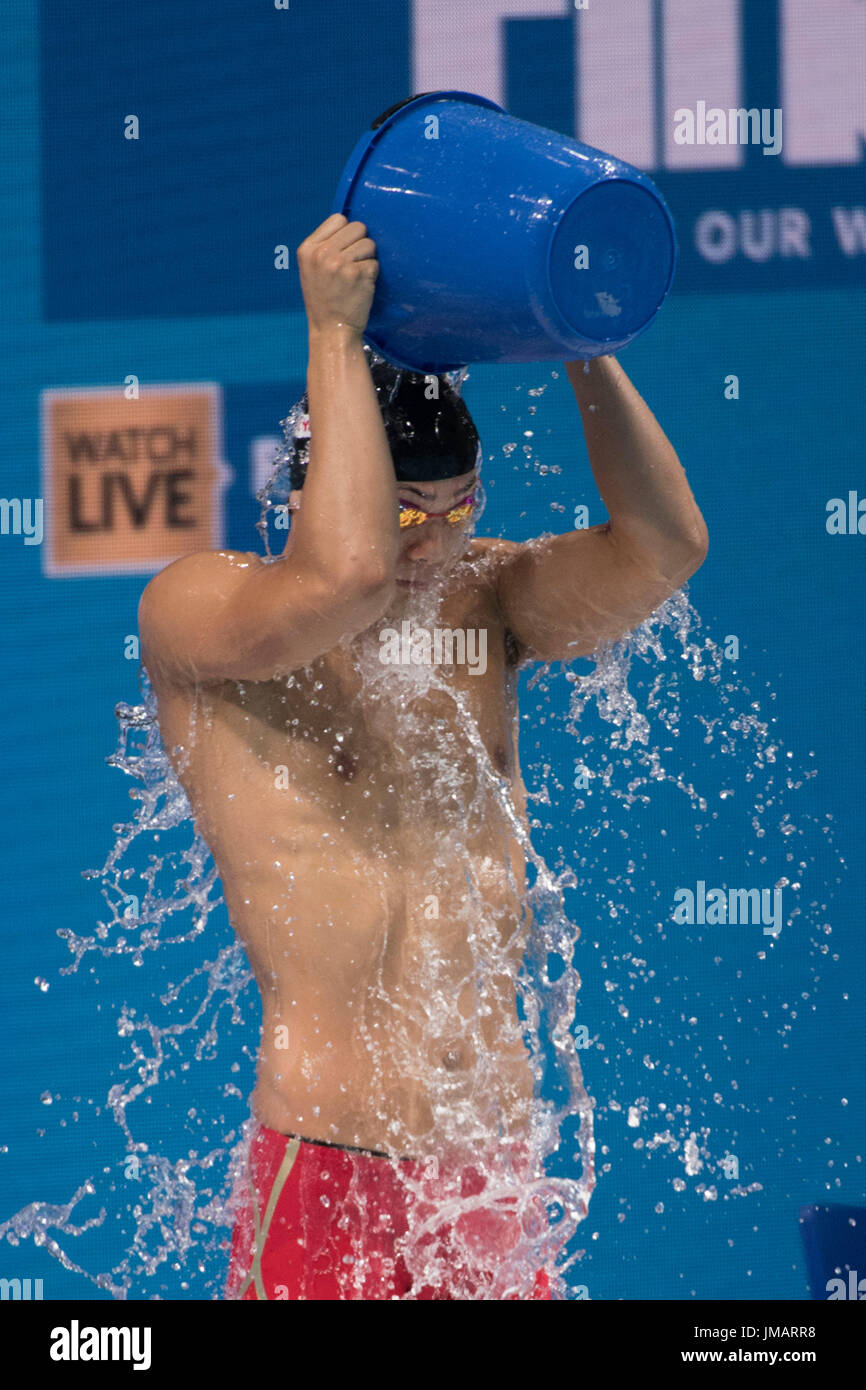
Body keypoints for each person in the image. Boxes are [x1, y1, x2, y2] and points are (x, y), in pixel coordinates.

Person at [138, 212, 708, 1299]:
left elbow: (663, 543)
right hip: (333, 1173)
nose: (428, 543)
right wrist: (332, 334)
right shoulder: (201, 611)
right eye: (402, 507)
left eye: (455, 509)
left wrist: (573, 337)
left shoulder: (485, 600)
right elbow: (338, 579)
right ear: (314, 483)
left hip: (487, 1181)